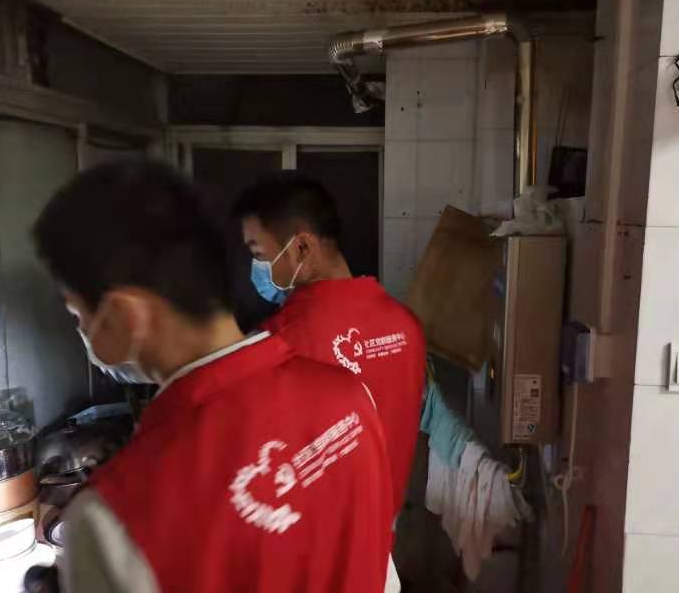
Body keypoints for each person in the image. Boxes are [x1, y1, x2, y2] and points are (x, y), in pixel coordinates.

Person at [32, 161, 393, 593]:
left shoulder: (114, 518)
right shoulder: (352, 398)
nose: (83, 331)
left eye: (78, 314)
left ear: (125, 315)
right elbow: (384, 578)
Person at [232, 172, 426, 517]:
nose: (256, 267)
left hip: (312, 540)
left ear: (302, 248)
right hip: (382, 532)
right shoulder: (406, 327)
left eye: (258, 253)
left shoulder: (275, 344)